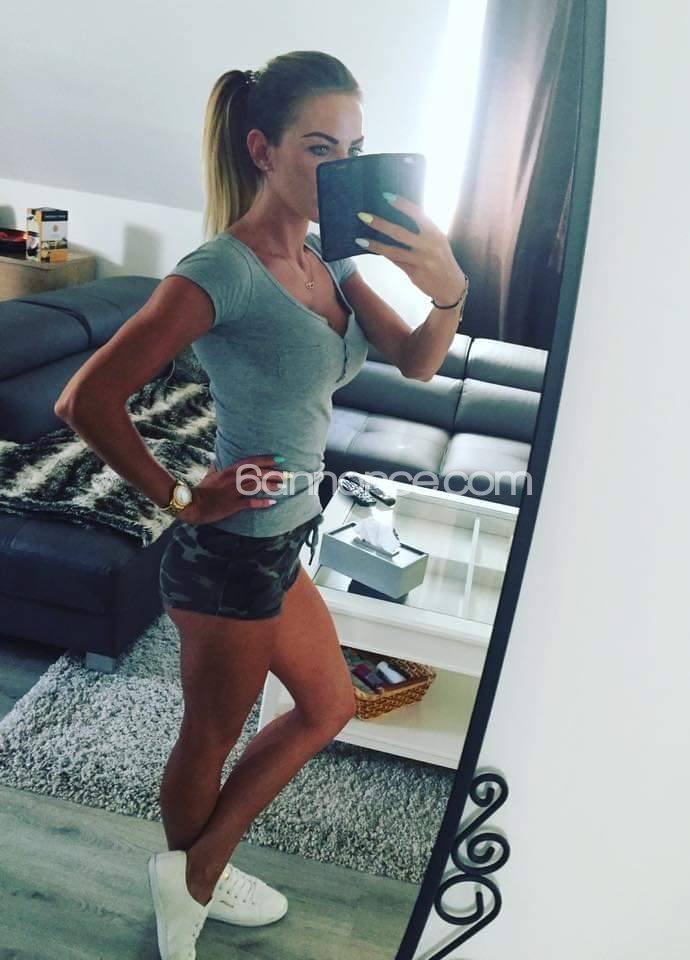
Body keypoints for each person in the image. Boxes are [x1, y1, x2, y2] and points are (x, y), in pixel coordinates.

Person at [54, 50, 469, 960]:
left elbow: (420, 362)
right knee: (209, 737)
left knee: (328, 706)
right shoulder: (223, 271)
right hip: (229, 553)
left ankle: (194, 869)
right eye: (320, 148)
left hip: (283, 540)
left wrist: (449, 289)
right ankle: (192, 887)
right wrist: (180, 497)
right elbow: (86, 400)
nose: (340, 168)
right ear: (260, 149)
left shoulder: (332, 259)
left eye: (354, 150)